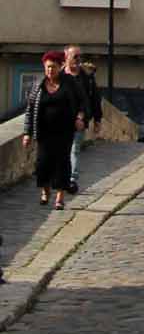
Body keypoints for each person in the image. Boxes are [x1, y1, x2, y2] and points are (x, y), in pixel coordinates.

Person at [23, 52, 85, 210]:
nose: (50, 70)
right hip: (43, 131)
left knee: (62, 163)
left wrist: (79, 117)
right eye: (48, 67)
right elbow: (30, 110)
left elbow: (81, 102)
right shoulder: (39, 85)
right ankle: (45, 191)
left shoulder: (69, 83)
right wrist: (27, 133)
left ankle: (60, 197)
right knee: (43, 162)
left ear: (60, 67)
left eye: (54, 67)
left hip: (64, 131)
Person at [62, 45, 102, 193]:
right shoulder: (58, 75)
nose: (78, 60)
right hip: (59, 120)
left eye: (80, 57)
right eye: (75, 57)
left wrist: (97, 119)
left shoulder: (86, 78)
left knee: (74, 149)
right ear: (66, 57)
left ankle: (72, 180)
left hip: (80, 119)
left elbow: (95, 99)